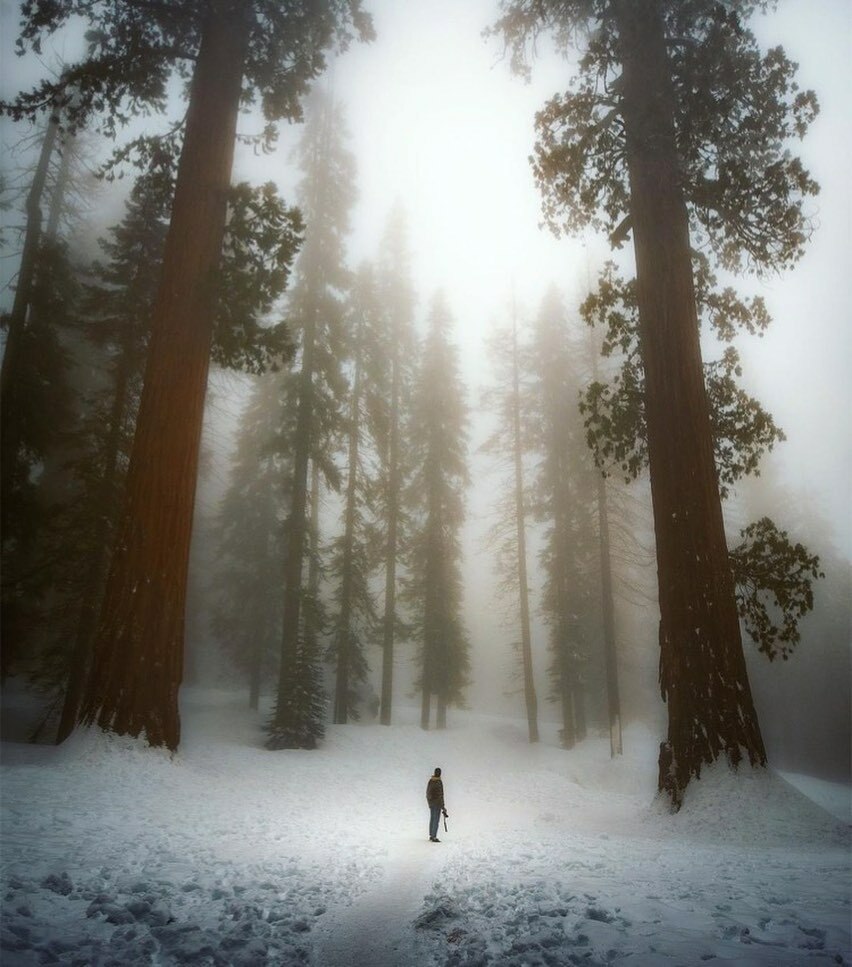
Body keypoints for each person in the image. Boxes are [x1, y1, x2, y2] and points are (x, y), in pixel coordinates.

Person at [426, 767, 448, 842]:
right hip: (437, 804)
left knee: (432, 819)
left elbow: (428, 793)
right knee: (436, 820)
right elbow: (440, 795)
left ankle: (431, 835)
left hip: (431, 803)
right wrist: (443, 806)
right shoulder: (439, 782)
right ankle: (434, 836)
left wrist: (429, 802)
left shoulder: (431, 781)